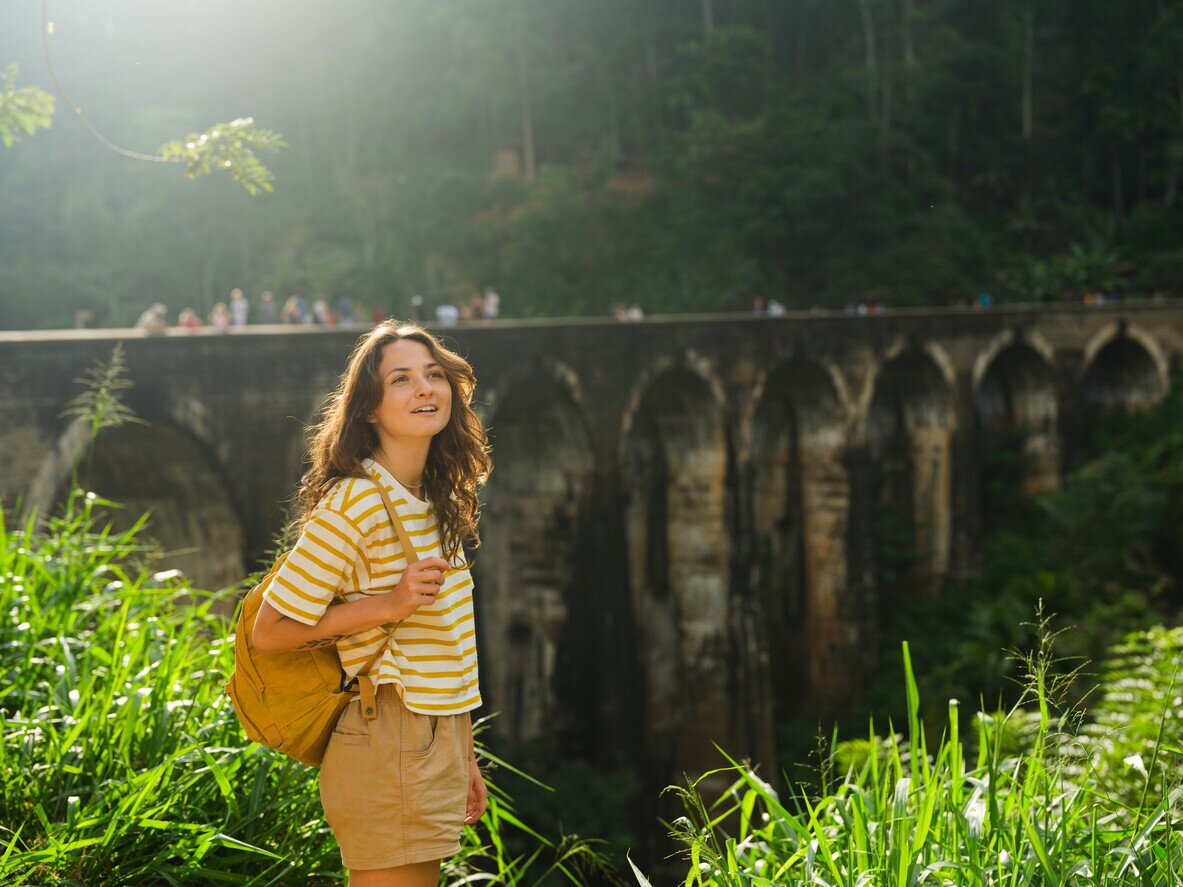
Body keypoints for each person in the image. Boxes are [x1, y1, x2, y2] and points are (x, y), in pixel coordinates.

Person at [252, 321, 490, 884]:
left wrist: (465, 755)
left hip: (436, 734)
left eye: (434, 375)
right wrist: (388, 604)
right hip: (391, 736)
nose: (425, 389)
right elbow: (271, 628)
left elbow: (443, 645)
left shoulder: (433, 498)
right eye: (401, 380)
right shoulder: (356, 499)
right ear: (369, 409)